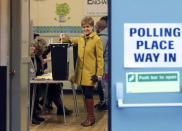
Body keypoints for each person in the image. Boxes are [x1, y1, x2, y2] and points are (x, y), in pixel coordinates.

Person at [60, 16, 104, 127]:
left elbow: (100, 58)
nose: (85, 29)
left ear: (92, 27)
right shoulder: (80, 38)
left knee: (89, 94)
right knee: (85, 94)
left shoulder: (97, 40)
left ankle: (91, 118)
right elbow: (70, 41)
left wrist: (99, 73)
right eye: (83, 27)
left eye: (87, 27)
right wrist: (64, 37)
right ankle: (90, 116)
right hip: (81, 73)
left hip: (91, 73)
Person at [95, 17, 108, 110]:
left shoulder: (103, 37)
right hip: (108, 64)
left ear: (99, 27)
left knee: (105, 84)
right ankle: (106, 102)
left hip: (105, 65)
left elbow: (100, 52)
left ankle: (107, 103)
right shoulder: (108, 35)